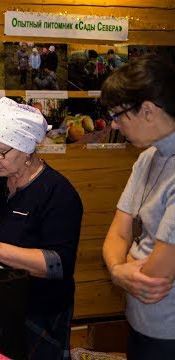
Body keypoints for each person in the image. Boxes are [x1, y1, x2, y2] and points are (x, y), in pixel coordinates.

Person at [0, 97, 83, 359]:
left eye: (0, 151)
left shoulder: (58, 193)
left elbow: (59, 265)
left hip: (41, 312)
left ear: (27, 147)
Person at [101, 54, 175, 359]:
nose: (115, 124)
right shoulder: (148, 157)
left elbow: (156, 273)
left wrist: (120, 266)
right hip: (141, 322)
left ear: (147, 110)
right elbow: (117, 234)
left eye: (117, 115)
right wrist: (119, 270)